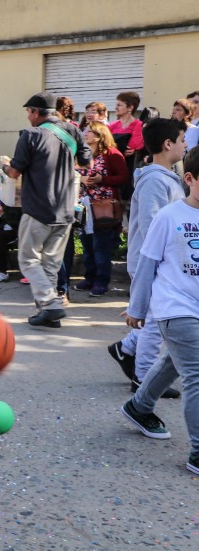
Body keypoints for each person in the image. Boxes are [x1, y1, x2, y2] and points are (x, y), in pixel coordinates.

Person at [119, 145, 199, 475]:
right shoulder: (170, 216)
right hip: (174, 307)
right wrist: (137, 308)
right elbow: (148, 264)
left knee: (172, 362)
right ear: (190, 179)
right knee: (197, 373)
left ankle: (140, 406)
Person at [108, 118, 187, 394]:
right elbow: (154, 224)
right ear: (168, 144)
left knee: (156, 317)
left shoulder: (165, 177)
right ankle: (143, 378)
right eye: (182, 140)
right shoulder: (155, 179)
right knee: (154, 321)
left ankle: (126, 348)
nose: (185, 145)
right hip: (151, 261)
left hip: (161, 261)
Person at [1, 92, 91, 328]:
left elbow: (14, 172)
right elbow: (87, 162)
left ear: (35, 112)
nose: (28, 117)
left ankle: (50, 304)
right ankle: (47, 313)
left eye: (28, 112)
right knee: (50, 263)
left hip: (38, 209)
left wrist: (5, 165)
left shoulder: (30, 135)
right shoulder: (72, 131)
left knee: (28, 260)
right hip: (65, 209)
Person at [73, 121, 129, 297]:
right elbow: (73, 173)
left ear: (99, 135)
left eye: (89, 131)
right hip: (84, 206)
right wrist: (81, 180)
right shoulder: (83, 154)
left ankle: (101, 281)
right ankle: (89, 277)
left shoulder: (112, 154)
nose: (85, 134)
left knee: (100, 246)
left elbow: (124, 178)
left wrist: (101, 180)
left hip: (103, 206)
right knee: (87, 244)